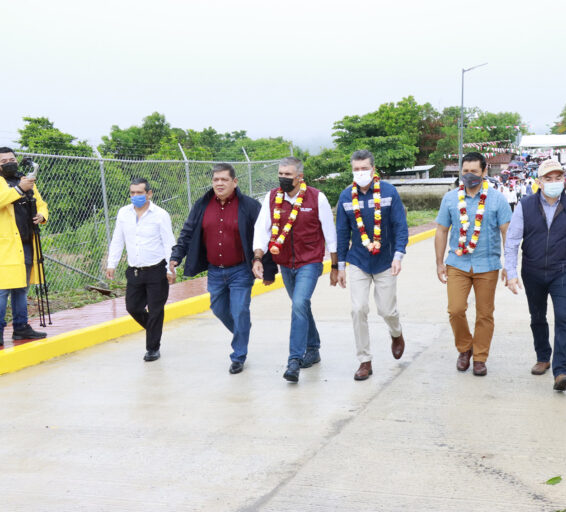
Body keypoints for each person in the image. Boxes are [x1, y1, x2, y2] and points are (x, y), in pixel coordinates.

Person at [170, 163, 276, 374]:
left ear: (234, 182)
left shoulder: (249, 206)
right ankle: (242, 329)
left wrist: (269, 269)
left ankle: (238, 355)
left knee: (240, 310)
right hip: (215, 271)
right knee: (218, 309)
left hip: (240, 271)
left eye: (224, 179)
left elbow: (264, 236)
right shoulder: (202, 205)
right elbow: (188, 232)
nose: (219, 183)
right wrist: (176, 257)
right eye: (216, 179)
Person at [504, 159, 566, 391]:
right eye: (548, 178)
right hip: (532, 271)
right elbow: (513, 240)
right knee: (537, 317)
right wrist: (512, 272)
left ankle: (561, 371)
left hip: (563, 271)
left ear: (564, 180)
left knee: (564, 318)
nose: (554, 182)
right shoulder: (525, 206)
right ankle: (543, 356)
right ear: (539, 182)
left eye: (558, 178)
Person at [253, 156, 338, 383]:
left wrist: (336, 265)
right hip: (285, 263)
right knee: (301, 305)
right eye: (280, 174)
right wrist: (258, 257)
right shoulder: (271, 198)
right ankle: (313, 348)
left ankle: (294, 360)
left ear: (300, 177)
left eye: (288, 175)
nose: (283, 178)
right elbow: (262, 229)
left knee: (299, 303)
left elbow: (330, 233)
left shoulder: (316, 197)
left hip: (310, 261)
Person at [434, 152, 511, 376]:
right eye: (465, 172)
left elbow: (508, 232)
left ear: (484, 172)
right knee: (455, 309)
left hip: (487, 264)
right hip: (457, 262)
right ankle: (465, 347)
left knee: (485, 313)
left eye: (474, 172)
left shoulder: (497, 199)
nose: (469, 176)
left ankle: (479, 357)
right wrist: (439, 263)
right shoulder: (450, 199)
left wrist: (510, 264)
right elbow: (441, 230)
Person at [336, 150, 409, 380]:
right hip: (358, 259)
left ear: (373, 169)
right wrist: (339, 266)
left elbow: (400, 226)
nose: (360, 173)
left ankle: (396, 333)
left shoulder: (388, 192)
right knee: (358, 309)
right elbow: (341, 232)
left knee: (387, 310)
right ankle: (364, 361)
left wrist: (398, 256)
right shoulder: (346, 196)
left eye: (364, 168)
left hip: (385, 259)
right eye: (356, 169)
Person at [106, 178, 176, 361]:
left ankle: (152, 348)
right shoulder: (123, 214)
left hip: (156, 271)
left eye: (139, 192)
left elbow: (169, 243)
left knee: (155, 310)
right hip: (135, 271)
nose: (135, 196)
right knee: (133, 307)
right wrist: (111, 263)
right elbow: (117, 239)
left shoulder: (160, 215)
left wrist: (171, 267)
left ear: (149, 193)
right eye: (132, 193)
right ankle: (154, 329)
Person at [0, 147, 48, 345]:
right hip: (5, 246)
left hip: (27, 242)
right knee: (2, 290)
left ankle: (21, 327)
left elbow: (41, 203)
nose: (9, 163)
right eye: (3, 161)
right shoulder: (13, 184)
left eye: (12, 159)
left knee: (22, 288)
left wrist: (42, 215)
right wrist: (19, 190)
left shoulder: (25, 180)